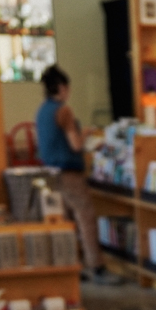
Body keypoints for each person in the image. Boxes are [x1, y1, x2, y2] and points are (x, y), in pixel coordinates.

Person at [36, 65, 122, 284]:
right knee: (86, 218)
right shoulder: (63, 110)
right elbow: (75, 145)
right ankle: (98, 268)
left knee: (65, 221)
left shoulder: (42, 111)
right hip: (69, 173)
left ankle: (72, 266)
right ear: (63, 88)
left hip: (50, 173)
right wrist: (86, 133)